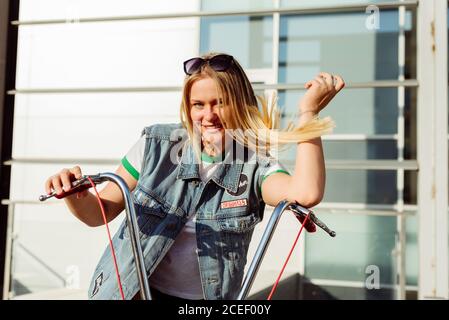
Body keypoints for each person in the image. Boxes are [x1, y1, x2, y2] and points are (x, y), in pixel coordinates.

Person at [44, 52, 344, 300]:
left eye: (220, 103)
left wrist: (309, 113)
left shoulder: (255, 166)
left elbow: (306, 192)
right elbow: (100, 212)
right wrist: (76, 197)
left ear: (239, 103)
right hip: (132, 293)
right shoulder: (156, 146)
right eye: (198, 105)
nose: (208, 115)